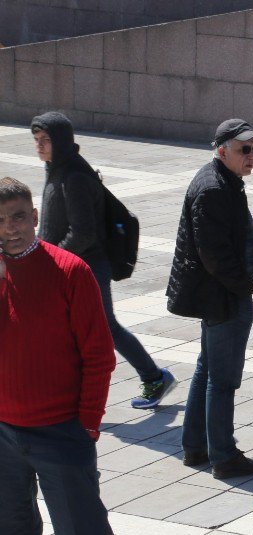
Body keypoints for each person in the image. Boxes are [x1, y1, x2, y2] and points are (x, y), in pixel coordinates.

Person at [0, 177, 145, 535]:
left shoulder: (70, 270)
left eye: (18, 217)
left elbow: (99, 356)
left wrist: (85, 426)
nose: (9, 229)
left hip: (61, 436)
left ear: (35, 217)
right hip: (3, 438)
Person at [30, 112, 174, 410]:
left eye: (45, 141)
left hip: (86, 267)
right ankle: (66, 393)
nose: (40, 146)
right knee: (71, 329)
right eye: (37, 140)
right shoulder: (57, 169)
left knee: (105, 328)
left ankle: (154, 377)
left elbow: (82, 232)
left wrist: (53, 259)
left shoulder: (75, 177)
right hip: (70, 265)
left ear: (61, 142)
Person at [166, 119, 253, 479]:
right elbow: (214, 255)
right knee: (223, 378)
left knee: (208, 367)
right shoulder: (213, 188)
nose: (252, 156)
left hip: (221, 295)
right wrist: (243, 286)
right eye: (245, 149)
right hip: (224, 297)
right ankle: (223, 456)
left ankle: (195, 446)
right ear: (222, 150)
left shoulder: (223, 181)